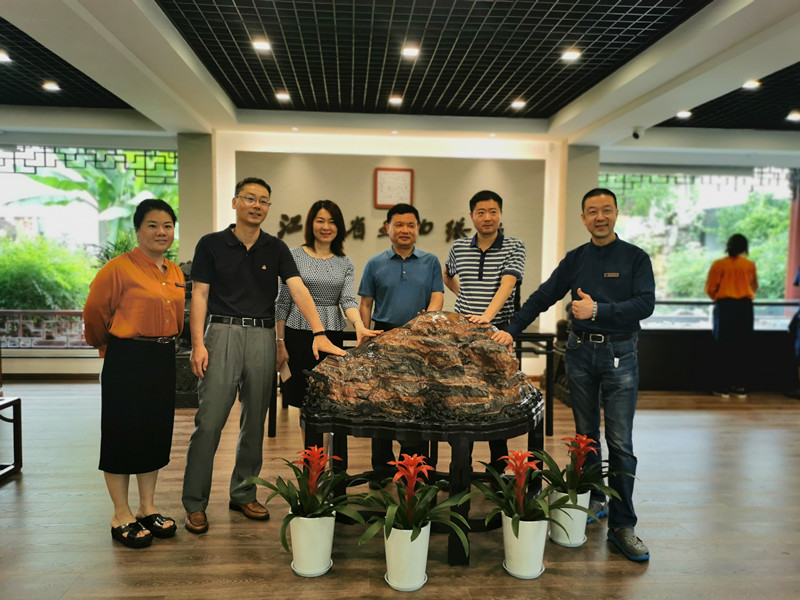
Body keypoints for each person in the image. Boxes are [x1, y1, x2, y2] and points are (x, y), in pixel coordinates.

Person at [493, 188, 655, 562]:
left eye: (606, 210)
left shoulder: (635, 257)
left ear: (616, 214)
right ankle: (594, 498)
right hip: (580, 354)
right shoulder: (576, 258)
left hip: (620, 355)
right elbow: (543, 295)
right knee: (586, 437)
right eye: (592, 211)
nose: (600, 217)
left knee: (620, 442)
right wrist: (511, 329)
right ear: (583, 218)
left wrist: (598, 311)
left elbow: (645, 304)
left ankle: (623, 525)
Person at [182, 177, 345, 535]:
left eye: (264, 201)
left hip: (262, 334)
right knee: (209, 422)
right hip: (221, 332)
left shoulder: (276, 247)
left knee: (255, 419)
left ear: (268, 208)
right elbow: (200, 295)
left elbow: (298, 289)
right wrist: (198, 344)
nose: (257, 205)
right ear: (235, 202)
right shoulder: (211, 244)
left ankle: (243, 493)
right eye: (250, 198)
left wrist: (319, 331)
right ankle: (194, 502)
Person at [83, 199, 184, 548]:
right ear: (138, 230)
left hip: (162, 356)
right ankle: (120, 514)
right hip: (127, 357)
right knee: (122, 432)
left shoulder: (175, 271)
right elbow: (94, 313)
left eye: (167, 225)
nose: (161, 232)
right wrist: (107, 345)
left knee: (154, 431)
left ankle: (147, 507)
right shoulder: (118, 268)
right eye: (153, 225)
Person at [275, 200, 380, 445]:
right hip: (298, 333)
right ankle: (313, 458)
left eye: (332, 222)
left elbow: (347, 300)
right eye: (320, 221)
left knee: (331, 397)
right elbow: (283, 303)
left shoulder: (345, 262)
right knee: (306, 399)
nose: (326, 227)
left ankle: (332, 458)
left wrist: (359, 324)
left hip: (331, 334)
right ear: (311, 224)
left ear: (339, 227)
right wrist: (280, 342)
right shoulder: (294, 256)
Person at [358, 203, 444, 480]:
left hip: (420, 339)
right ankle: (382, 469)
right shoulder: (374, 263)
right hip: (383, 337)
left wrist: (427, 320)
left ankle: (414, 469)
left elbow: (438, 296)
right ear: (388, 228)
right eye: (398, 224)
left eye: (410, 225)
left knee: (418, 403)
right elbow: (366, 303)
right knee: (382, 403)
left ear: (418, 228)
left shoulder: (431, 261)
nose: (404, 230)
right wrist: (364, 337)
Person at [443, 190, 526, 472]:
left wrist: (486, 319)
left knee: (498, 400)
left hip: (498, 332)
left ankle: (498, 472)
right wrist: (463, 298)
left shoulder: (514, 246)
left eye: (493, 212)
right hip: (462, 333)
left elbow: (508, 284)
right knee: (462, 397)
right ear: (471, 216)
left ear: (500, 214)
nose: (487, 217)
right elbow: (447, 275)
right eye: (481, 212)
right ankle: (460, 469)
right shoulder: (459, 247)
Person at [704, 233, 758, 398]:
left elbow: (710, 288)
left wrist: (720, 297)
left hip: (725, 307)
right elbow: (754, 286)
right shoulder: (749, 265)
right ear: (744, 248)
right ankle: (741, 386)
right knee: (743, 345)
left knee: (723, 346)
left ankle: (722, 387)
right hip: (745, 307)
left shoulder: (719, 264)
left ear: (728, 246)